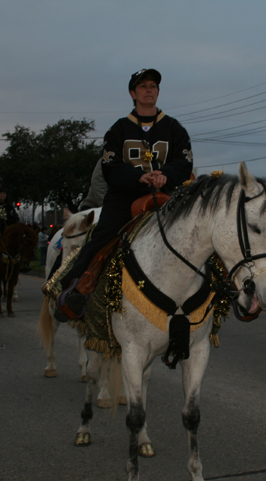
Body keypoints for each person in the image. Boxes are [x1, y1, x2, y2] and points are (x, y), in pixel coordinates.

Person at [54, 68, 193, 320]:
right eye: (143, 86)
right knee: (103, 236)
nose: (149, 90)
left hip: (166, 195)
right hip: (125, 197)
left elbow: (184, 163)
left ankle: (223, 288)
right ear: (133, 93)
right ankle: (73, 290)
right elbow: (110, 167)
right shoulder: (118, 130)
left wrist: (165, 175)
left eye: (153, 86)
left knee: (196, 232)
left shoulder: (174, 129)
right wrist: (138, 177)